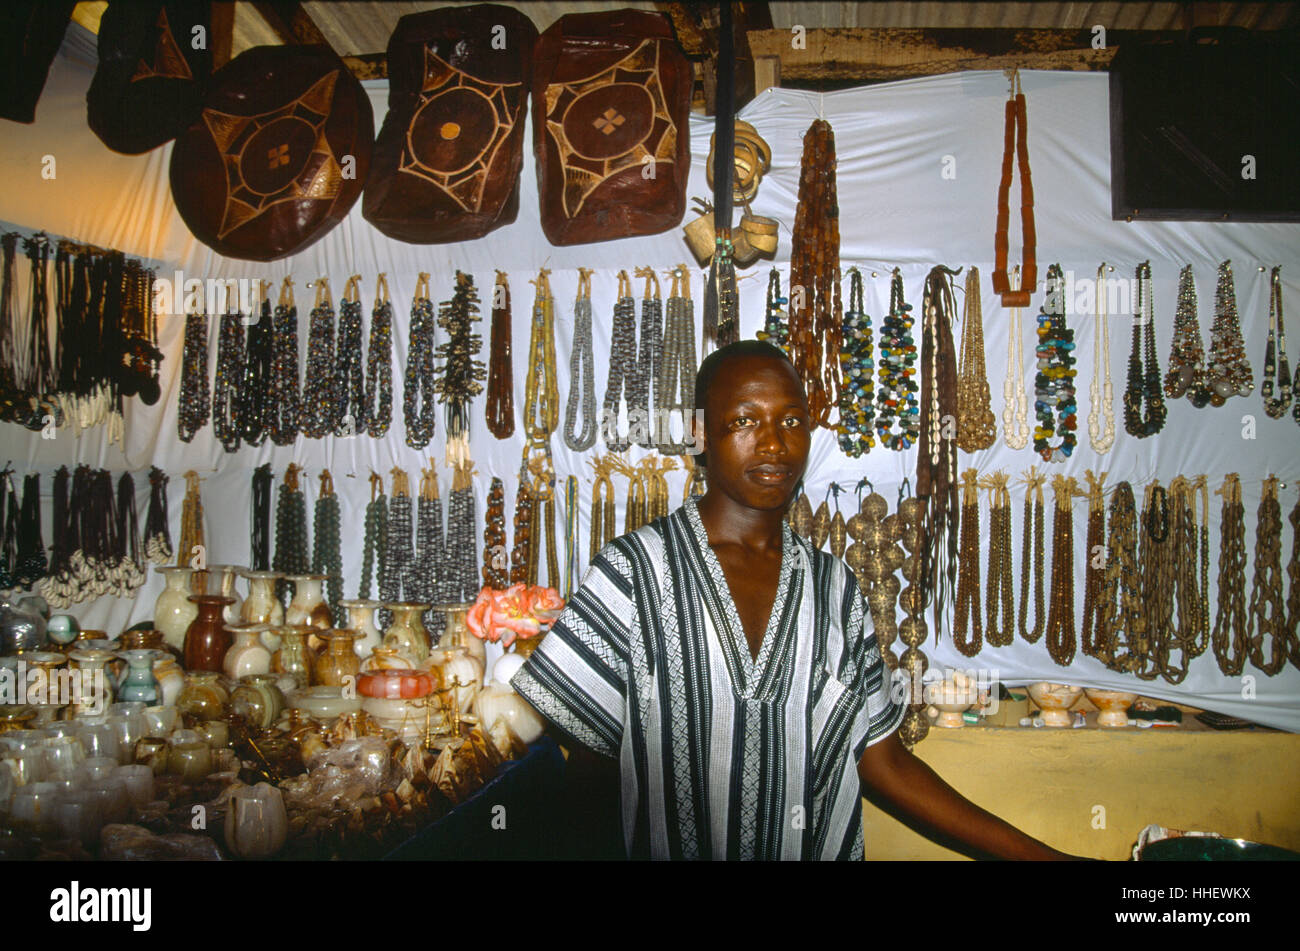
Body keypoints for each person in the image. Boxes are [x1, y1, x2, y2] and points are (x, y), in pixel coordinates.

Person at [512, 339, 1079, 860]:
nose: (774, 443)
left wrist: (1042, 858)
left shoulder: (834, 589)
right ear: (697, 434)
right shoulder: (634, 572)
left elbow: (881, 759)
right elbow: (589, 770)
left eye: (792, 421)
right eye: (743, 421)